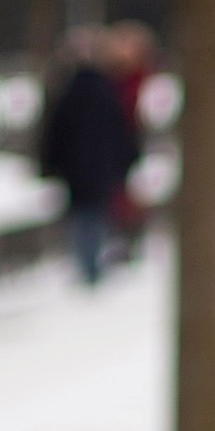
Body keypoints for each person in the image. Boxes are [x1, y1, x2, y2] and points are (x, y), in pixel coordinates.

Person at [38, 31, 138, 283]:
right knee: (96, 214)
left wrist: (50, 165)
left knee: (83, 215)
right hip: (101, 167)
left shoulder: (68, 95)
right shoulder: (106, 94)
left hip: (76, 170)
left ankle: (87, 265)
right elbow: (121, 131)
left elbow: (54, 134)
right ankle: (91, 266)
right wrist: (125, 161)